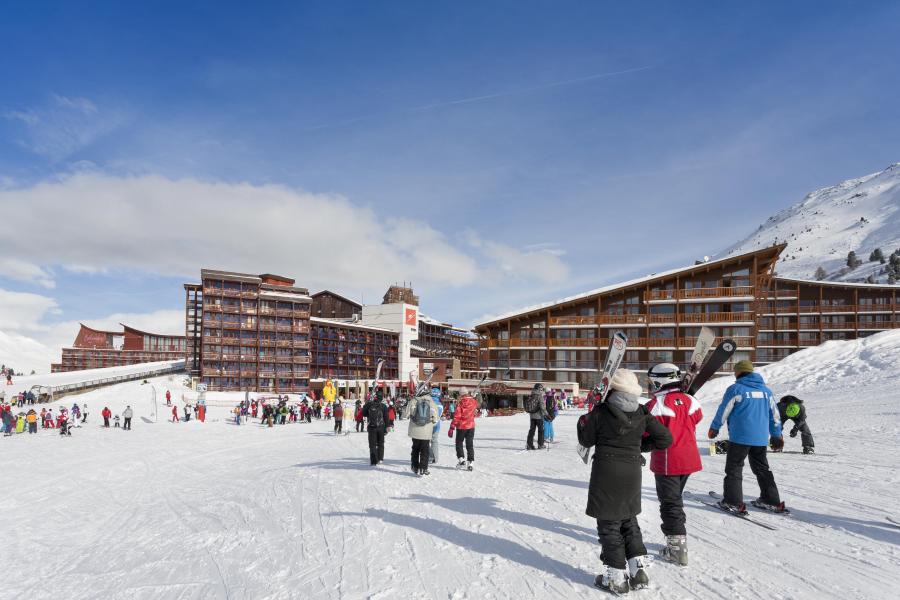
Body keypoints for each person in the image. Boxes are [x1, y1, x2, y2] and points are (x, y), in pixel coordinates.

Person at [577, 368, 673, 594]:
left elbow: (586, 438)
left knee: (609, 524)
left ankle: (617, 578)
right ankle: (639, 571)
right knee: (628, 520)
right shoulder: (641, 411)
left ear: (614, 388)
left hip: (606, 471)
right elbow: (665, 438)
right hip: (631, 471)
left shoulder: (601, 411)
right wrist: (638, 448)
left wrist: (586, 418)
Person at [644, 363, 703, 567]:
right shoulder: (690, 400)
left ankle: (677, 549)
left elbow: (644, 431)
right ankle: (677, 539)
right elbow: (697, 418)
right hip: (689, 457)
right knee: (675, 500)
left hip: (668, 459)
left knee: (670, 503)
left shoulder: (656, 404)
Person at [709, 360, 785, 513]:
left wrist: (715, 427)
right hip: (760, 439)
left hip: (740, 438)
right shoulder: (766, 391)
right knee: (762, 469)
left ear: (738, 372)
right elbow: (775, 416)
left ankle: (733, 502)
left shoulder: (736, 389)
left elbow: (724, 410)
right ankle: (771, 500)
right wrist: (777, 435)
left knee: (734, 468)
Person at [408, 384, 438, 475]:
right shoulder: (431, 402)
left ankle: (415, 467)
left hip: (415, 430)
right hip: (426, 431)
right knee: (425, 450)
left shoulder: (413, 401)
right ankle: (423, 468)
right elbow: (435, 419)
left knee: (415, 449)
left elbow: (406, 414)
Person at [449, 387, 477, 470]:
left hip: (462, 426)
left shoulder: (461, 402)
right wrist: (472, 397)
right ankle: (470, 462)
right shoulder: (473, 401)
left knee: (459, 443)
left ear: (461, 394)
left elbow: (457, 415)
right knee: (470, 444)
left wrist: (452, 426)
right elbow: (474, 408)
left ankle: (461, 460)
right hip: (471, 426)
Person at [362, 390, 389, 466]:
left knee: (372, 444)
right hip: (381, 427)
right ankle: (380, 458)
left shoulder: (369, 404)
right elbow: (386, 417)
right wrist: (387, 427)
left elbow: (363, 413)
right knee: (381, 443)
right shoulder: (383, 406)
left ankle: (373, 461)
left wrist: (367, 408)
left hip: (372, 427)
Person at [525, 383, 549, 450]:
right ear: (539, 388)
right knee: (541, 430)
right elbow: (542, 407)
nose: (542, 390)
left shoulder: (531, 394)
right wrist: (546, 415)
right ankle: (540, 445)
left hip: (532, 416)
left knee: (532, 430)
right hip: (539, 417)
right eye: (541, 389)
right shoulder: (539, 396)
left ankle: (529, 445)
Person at [428, 387, 444, 464]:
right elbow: (439, 416)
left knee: (426, 441)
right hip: (436, 426)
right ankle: (435, 458)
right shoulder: (440, 405)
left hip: (427, 425)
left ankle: (429, 456)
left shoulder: (428, 403)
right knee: (434, 441)